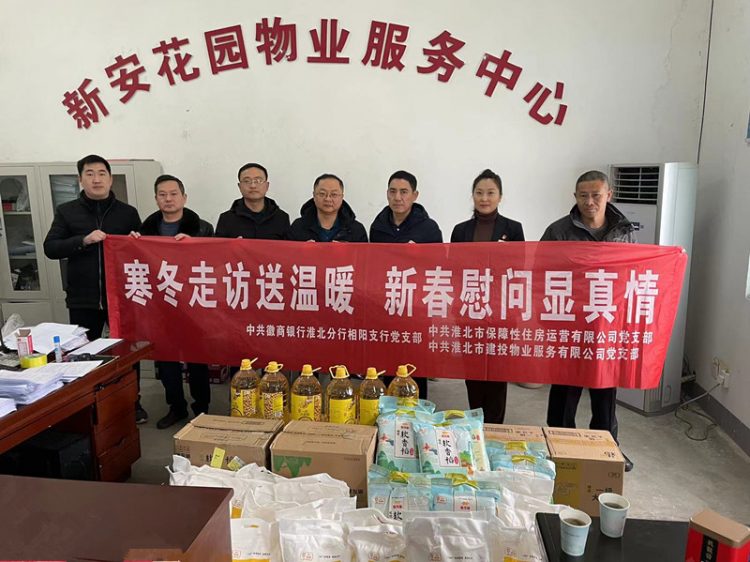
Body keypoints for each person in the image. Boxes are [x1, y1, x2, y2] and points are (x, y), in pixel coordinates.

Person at [541, 170, 636, 472]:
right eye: (583, 196)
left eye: (596, 195)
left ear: (609, 195)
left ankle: (607, 449)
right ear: (575, 197)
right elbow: (539, 273)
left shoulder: (623, 231)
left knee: (605, 391)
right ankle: (558, 447)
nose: (590, 201)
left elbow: (633, 275)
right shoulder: (558, 231)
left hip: (607, 325)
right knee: (564, 392)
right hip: (569, 323)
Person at [43, 154, 148, 423]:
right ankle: (88, 404)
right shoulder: (67, 211)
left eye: (102, 173)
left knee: (126, 353)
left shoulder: (127, 213)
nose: (96, 179)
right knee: (81, 355)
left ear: (110, 179)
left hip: (121, 298)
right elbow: (50, 248)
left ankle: (132, 402)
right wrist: (83, 240)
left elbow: (143, 254)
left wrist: (136, 241)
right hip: (83, 298)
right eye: (89, 174)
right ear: (81, 179)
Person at [130, 174, 213, 429]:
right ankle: (176, 407)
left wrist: (194, 245)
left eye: (173, 194)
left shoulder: (203, 228)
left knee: (197, 359)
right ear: (156, 199)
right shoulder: (145, 231)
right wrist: (132, 244)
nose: (168, 199)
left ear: (184, 198)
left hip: (194, 304)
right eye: (162, 194)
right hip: (161, 306)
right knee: (166, 360)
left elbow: (216, 263)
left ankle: (202, 409)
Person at [451, 169, 524, 423]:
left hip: (501, 312)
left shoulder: (513, 229)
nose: (484, 198)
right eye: (479, 193)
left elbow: (519, 271)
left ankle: (494, 426)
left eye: (490, 193)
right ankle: (475, 421)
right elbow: (453, 271)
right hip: (469, 309)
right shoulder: (460, 231)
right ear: (472, 195)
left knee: (497, 372)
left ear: (500, 196)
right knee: (473, 371)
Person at [370, 170, 442, 398]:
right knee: (389, 359)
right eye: (393, 192)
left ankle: (417, 408)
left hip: (416, 306)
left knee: (415, 362)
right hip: (388, 303)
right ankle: (389, 408)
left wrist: (418, 256)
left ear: (415, 195)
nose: (398, 197)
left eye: (404, 192)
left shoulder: (428, 228)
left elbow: (440, 266)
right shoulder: (378, 226)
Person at [215, 163, 290, 239]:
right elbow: (219, 246)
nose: (253, 186)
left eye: (258, 180)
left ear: (267, 186)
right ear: (239, 186)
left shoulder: (281, 218)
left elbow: (288, 246)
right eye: (247, 181)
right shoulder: (226, 219)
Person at [287, 174, 368, 242]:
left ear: (342, 197)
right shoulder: (298, 227)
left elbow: (365, 255)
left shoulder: (356, 230)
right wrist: (301, 250)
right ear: (314, 196)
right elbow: (287, 254)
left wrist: (346, 251)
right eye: (322, 194)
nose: (328, 199)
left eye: (334, 194)